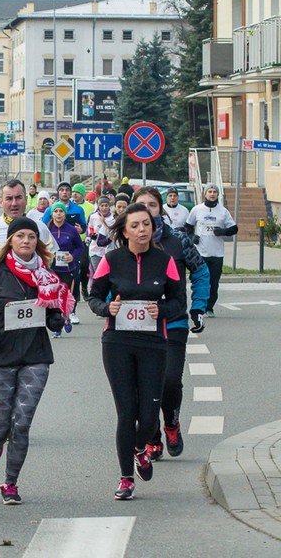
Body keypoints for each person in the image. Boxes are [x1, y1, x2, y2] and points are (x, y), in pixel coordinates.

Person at [0, 217, 74, 505]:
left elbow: (54, 312)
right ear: (11, 241)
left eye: (31, 237)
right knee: (0, 428)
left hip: (36, 356)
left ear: (37, 242)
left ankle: (10, 483)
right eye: (21, 236)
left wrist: (55, 318)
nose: (26, 241)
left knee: (22, 423)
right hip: (0, 357)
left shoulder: (47, 276)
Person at [87, 203, 185, 501]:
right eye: (136, 225)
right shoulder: (112, 260)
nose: (143, 230)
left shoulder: (164, 260)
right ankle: (126, 477)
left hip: (153, 345)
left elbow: (179, 301)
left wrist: (162, 309)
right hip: (117, 344)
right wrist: (108, 308)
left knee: (149, 418)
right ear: (124, 230)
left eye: (147, 224)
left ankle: (141, 447)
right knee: (127, 413)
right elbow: (92, 296)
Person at [133, 187, 209, 461]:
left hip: (172, 323)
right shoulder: (124, 242)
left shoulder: (177, 240)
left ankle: (172, 424)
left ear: (160, 209)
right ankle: (152, 437)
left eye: (152, 205)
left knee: (169, 381)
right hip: (137, 326)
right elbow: (109, 277)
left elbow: (200, 271)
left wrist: (199, 306)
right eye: (140, 205)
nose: (146, 210)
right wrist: (109, 306)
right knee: (143, 385)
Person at [0, 179, 58, 265]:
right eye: (9, 198)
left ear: (26, 199)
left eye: (18, 198)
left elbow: (52, 259)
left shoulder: (41, 228)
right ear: (1, 202)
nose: (14, 203)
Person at [185, 184, 238, 317]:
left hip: (216, 253)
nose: (212, 194)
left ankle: (209, 307)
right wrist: (192, 237)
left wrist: (223, 231)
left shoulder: (223, 211)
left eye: (214, 192)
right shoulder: (197, 209)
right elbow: (187, 226)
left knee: (213, 282)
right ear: (205, 194)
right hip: (200, 253)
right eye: (210, 191)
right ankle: (198, 306)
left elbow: (234, 228)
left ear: (217, 194)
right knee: (200, 281)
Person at [47, 203, 84, 332]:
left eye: (61, 211)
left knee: (66, 294)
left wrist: (73, 256)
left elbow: (80, 247)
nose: (58, 214)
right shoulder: (47, 229)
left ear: (64, 214)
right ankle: (56, 323)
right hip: (52, 269)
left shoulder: (71, 230)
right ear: (52, 214)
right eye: (56, 211)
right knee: (54, 296)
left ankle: (67, 316)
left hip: (68, 269)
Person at [86, 196, 116, 289]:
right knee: (97, 273)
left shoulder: (113, 218)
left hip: (109, 250)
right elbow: (89, 228)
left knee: (107, 274)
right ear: (98, 206)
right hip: (95, 250)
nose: (104, 208)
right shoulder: (93, 216)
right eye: (101, 205)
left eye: (106, 205)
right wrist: (91, 235)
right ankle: (95, 291)